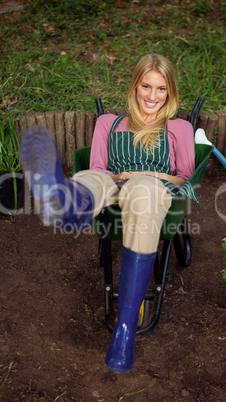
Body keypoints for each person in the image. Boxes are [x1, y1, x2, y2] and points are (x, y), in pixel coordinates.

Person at [20, 53, 198, 374]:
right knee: (94, 178)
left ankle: (124, 332)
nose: (152, 96)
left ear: (170, 92)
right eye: (146, 86)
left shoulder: (179, 128)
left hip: (150, 194)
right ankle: (69, 204)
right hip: (114, 186)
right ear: (135, 85)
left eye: (161, 89)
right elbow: (99, 168)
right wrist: (118, 177)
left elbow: (184, 176)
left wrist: (148, 176)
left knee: (142, 189)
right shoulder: (109, 123)